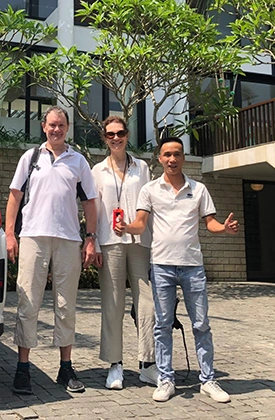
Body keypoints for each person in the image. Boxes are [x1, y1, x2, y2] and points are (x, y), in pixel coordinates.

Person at [115, 136, 238, 403]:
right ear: (160, 158)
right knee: (162, 325)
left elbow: (211, 223)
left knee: (201, 324)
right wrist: (126, 228)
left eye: (177, 154)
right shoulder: (150, 189)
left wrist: (224, 229)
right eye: (167, 154)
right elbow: (140, 223)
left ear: (183, 158)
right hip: (162, 266)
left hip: (193, 266)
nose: (172, 159)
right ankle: (166, 379)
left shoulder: (199, 189)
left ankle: (208, 380)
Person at [5, 106, 98, 395]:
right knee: (28, 303)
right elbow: (15, 196)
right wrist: (9, 233)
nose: (56, 129)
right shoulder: (30, 158)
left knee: (65, 305)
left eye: (61, 125)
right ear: (44, 126)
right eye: (52, 125)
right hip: (33, 237)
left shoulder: (78, 161)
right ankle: (23, 368)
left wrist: (91, 238)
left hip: (68, 239)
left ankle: (66, 367)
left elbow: (90, 202)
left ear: (67, 128)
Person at [91, 116, 158, 390]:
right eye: (110, 134)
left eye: (120, 133)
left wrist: (156, 243)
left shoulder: (141, 167)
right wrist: (94, 243)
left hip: (140, 240)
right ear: (104, 138)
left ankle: (148, 364)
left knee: (148, 304)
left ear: (127, 134)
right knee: (113, 303)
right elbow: (94, 210)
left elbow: (150, 205)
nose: (115, 138)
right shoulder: (97, 170)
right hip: (110, 242)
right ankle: (115, 364)